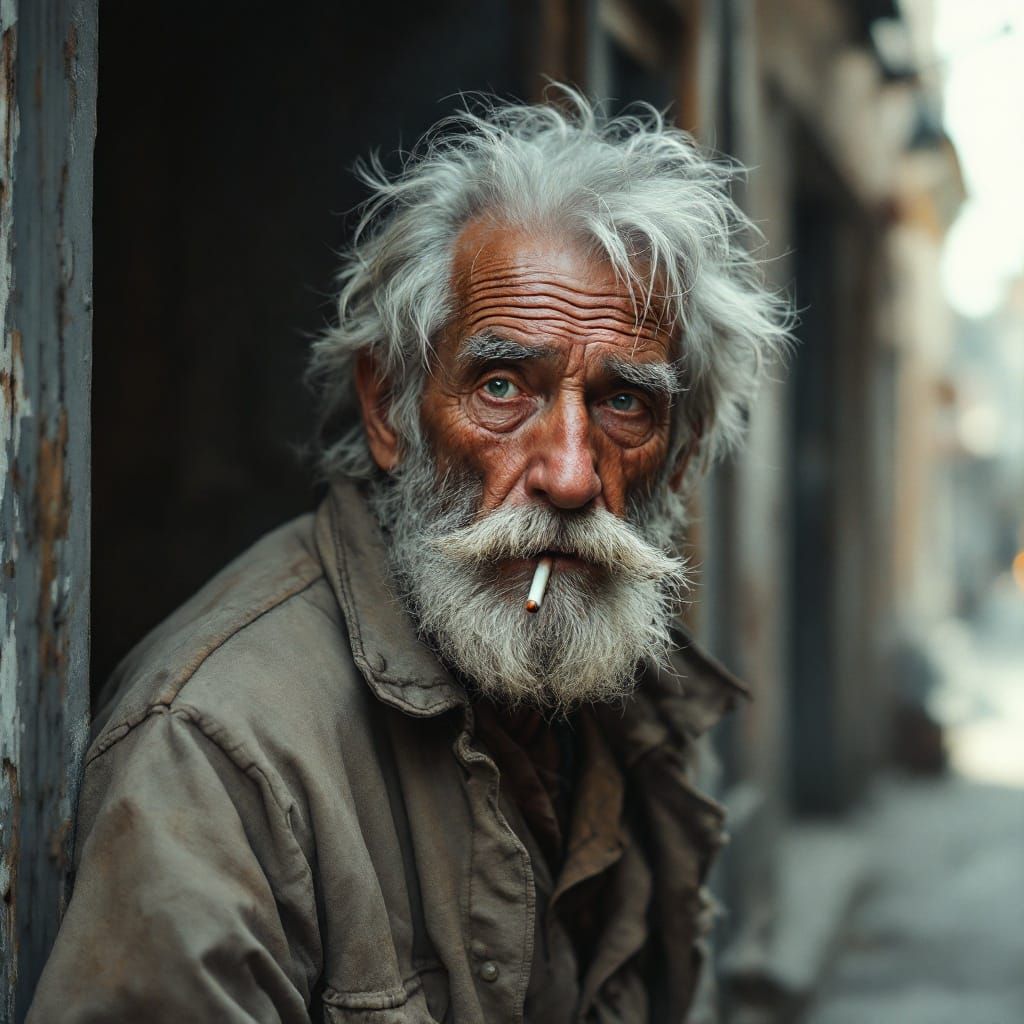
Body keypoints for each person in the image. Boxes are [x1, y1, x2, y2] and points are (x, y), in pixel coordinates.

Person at [30, 90, 790, 1023]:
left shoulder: (621, 702)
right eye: (504, 386)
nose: (568, 473)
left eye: (626, 403)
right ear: (391, 410)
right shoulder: (218, 755)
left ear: (681, 451)